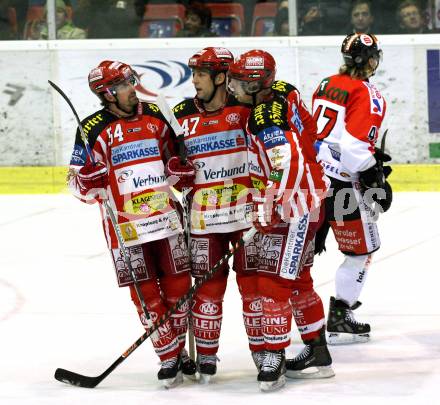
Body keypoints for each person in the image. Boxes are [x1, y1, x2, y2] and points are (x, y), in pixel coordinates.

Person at [67, 60, 196, 388]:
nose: (131, 90)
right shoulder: (91, 128)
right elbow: (77, 185)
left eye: (130, 82)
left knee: (180, 288)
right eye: (123, 86)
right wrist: (86, 179)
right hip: (125, 228)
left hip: (166, 218)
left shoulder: (156, 115)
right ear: (106, 94)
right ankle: (169, 355)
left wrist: (179, 171)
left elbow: (175, 163)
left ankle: (178, 350)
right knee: (145, 295)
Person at [227, 50, 334, 391]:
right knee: (299, 279)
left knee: (276, 281)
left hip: (296, 208)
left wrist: (269, 202)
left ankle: (275, 354)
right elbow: (312, 132)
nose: (232, 86)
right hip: (310, 197)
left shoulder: (263, 117)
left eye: (239, 80)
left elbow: (283, 162)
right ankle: (318, 351)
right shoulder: (286, 91)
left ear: (257, 83)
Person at [166, 47, 261, 383]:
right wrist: (176, 173)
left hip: (247, 218)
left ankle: (264, 355)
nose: (193, 81)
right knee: (207, 289)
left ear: (221, 77)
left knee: (254, 288)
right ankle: (206, 357)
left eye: (200, 74)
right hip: (203, 220)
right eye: (192, 74)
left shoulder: (247, 109)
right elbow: (167, 166)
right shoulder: (179, 114)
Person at [311, 33, 392, 345]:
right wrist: (376, 178)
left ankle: (294, 312)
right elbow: (354, 149)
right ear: (368, 60)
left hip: (314, 180)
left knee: (303, 251)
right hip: (344, 185)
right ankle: (341, 314)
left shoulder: (325, 82)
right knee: (362, 251)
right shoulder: (368, 94)